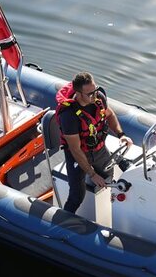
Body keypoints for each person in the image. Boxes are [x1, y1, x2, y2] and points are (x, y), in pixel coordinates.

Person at [56, 72, 131, 214]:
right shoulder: (69, 115)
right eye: (90, 93)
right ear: (78, 94)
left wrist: (121, 134)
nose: (95, 95)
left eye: (95, 90)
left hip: (99, 148)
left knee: (109, 177)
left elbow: (110, 114)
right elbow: (75, 149)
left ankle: (109, 209)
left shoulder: (98, 98)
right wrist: (91, 174)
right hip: (78, 154)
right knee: (77, 196)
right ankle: (63, 222)